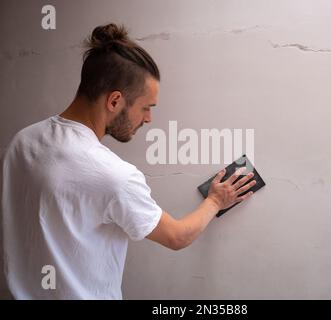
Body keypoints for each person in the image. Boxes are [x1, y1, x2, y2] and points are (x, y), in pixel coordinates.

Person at [1, 23, 256, 299]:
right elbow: (177, 237)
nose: (148, 119)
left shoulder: (21, 141)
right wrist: (215, 201)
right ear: (115, 101)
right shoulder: (114, 176)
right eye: (146, 108)